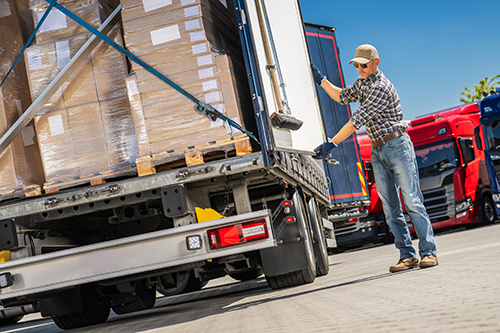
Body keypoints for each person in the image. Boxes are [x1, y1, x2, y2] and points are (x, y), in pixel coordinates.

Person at [311, 44, 438, 272]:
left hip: (397, 145)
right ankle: (407, 255)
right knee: (390, 208)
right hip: (378, 150)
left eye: (363, 64)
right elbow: (342, 97)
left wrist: (332, 143)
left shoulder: (380, 87)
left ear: (375, 63)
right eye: (356, 64)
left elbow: (355, 120)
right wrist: (321, 80)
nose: (359, 68)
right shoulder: (363, 83)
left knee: (412, 201)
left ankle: (428, 253)